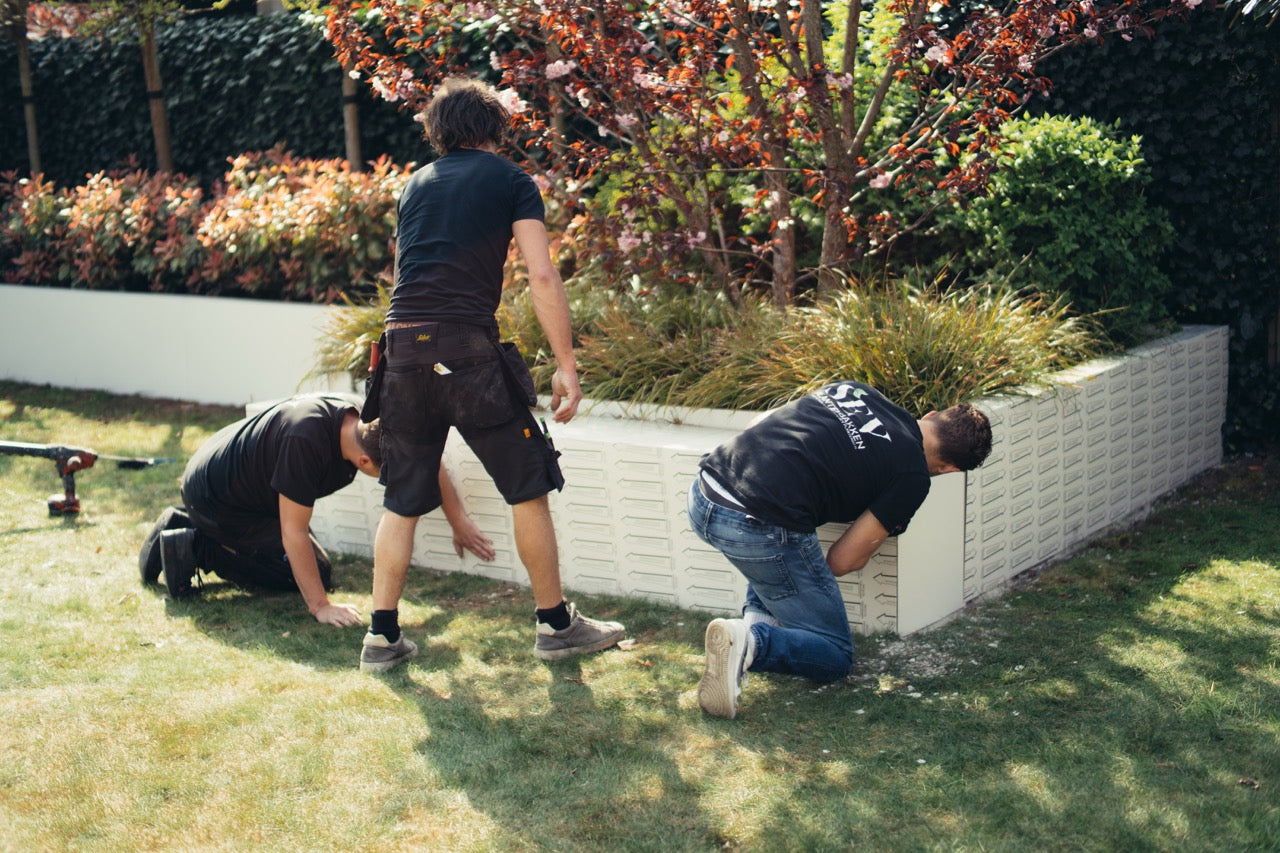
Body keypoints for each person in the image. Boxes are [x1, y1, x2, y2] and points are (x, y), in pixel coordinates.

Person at [359, 76, 625, 672]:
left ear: (437, 131)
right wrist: (566, 366)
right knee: (528, 485)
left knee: (401, 500)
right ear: (494, 128)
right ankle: (557, 627)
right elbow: (542, 276)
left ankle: (381, 638)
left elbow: (410, 273)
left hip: (400, 352)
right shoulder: (511, 180)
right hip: (467, 354)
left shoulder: (413, 184)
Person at [689, 381, 993, 718]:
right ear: (951, 469)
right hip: (753, 527)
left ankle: (750, 634)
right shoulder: (913, 477)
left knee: (782, 564)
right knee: (835, 655)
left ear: (932, 415)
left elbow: (764, 425)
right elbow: (842, 560)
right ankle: (751, 643)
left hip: (706, 489)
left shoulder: (855, 390)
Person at [138, 394, 495, 627]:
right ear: (365, 461)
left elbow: (425, 459)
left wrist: (458, 520)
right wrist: (321, 607)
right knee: (309, 577)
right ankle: (195, 544)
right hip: (219, 502)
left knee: (315, 566)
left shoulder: (360, 420)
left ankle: (196, 529)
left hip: (231, 482)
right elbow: (292, 532)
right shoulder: (305, 444)